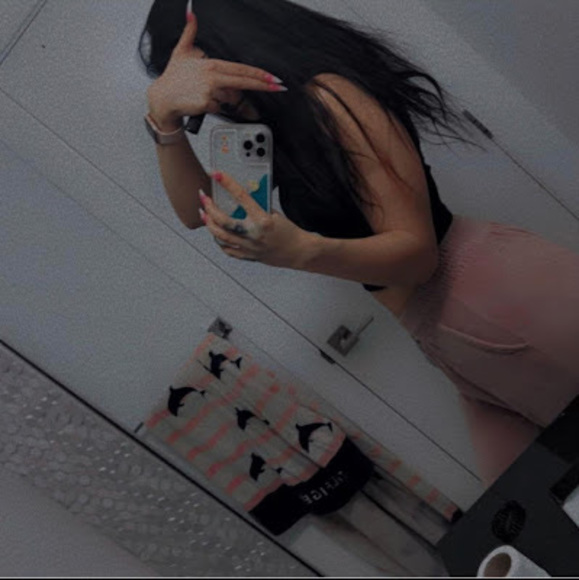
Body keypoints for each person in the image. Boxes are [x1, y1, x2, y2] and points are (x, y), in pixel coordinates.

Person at [139, 0, 579, 489]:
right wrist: (163, 119)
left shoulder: (330, 94)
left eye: (185, 70)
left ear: (216, 46)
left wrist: (300, 250)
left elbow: (418, 257)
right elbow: (194, 213)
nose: (195, 95)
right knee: (529, 508)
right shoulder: (266, 126)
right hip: (440, 329)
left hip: (491, 294)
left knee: (536, 504)